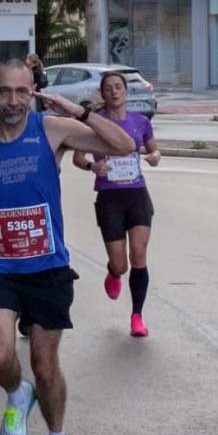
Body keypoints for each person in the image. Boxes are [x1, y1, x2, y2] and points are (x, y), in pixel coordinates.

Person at [0, 58, 136, 435]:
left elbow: (124, 146)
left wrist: (79, 112)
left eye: (22, 92)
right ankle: (17, 393)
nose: (12, 101)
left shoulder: (51, 130)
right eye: (4, 92)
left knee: (45, 366)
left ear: (33, 91)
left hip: (47, 266)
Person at [72, 71, 161, 337]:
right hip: (110, 197)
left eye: (118, 87)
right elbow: (77, 158)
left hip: (137, 195)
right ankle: (113, 272)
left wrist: (154, 156)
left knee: (139, 255)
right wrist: (92, 166)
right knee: (121, 264)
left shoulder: (141, 122)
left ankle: (137, 316)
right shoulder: (94, 124)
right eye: (108, 88)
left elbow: (153, 149)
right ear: (103, 94)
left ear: (126, 92)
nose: (114, 92)